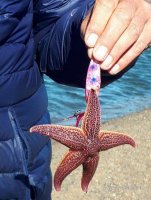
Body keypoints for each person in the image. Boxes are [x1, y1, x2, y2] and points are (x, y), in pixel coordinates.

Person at [0, 0, 150, 199]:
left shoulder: (89, 139)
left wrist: (97, 32)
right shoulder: (91, 141)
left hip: (24, 172)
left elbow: (48, 26)